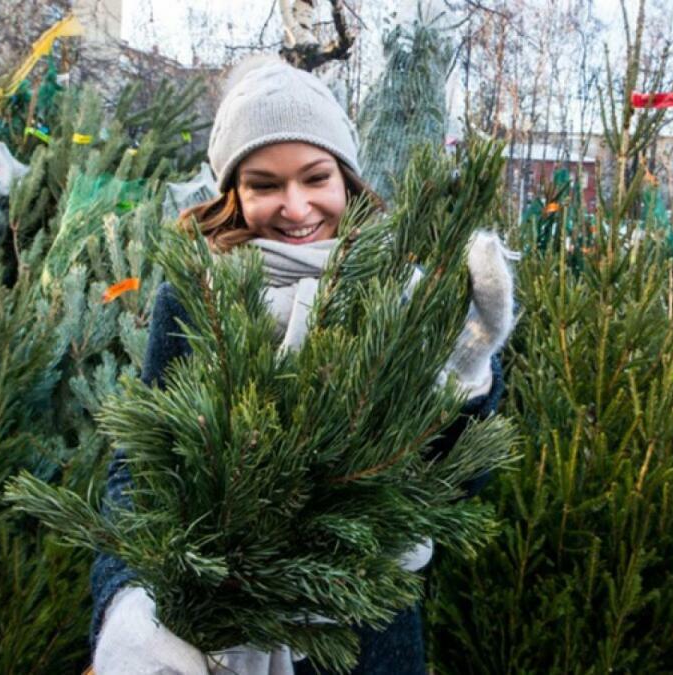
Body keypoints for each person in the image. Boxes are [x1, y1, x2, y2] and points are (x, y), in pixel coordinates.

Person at [89, 55, 515, 675]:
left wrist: (464, 376)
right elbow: (140, 471)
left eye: (315, 177)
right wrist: (127, 604)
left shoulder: (397, 291)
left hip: (365, 637)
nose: (295, 206)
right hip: (213, 636)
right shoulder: (196, 292)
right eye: (264, 183)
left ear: (346, 177)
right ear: (233, 192)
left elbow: (447, 487)